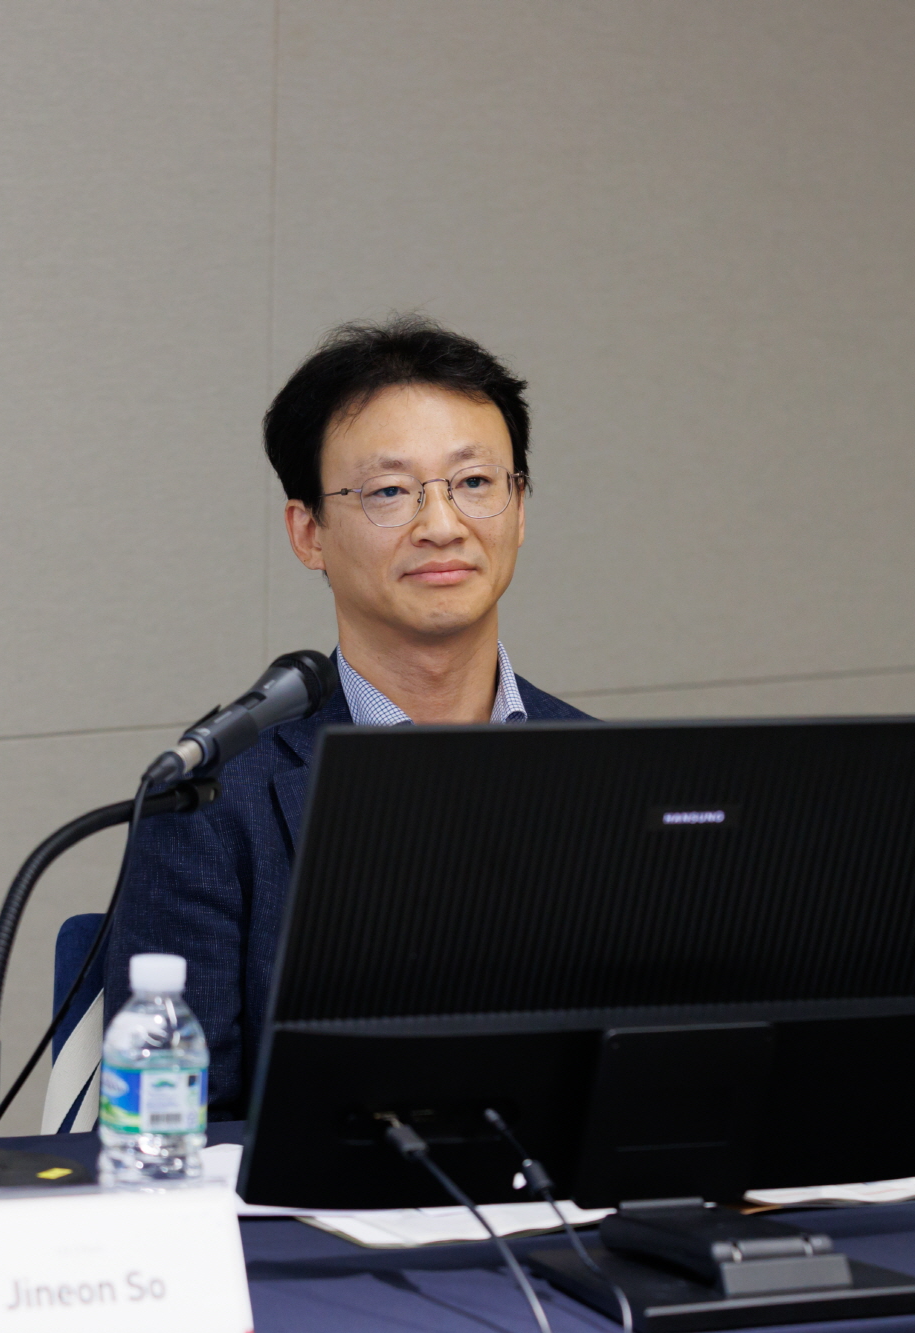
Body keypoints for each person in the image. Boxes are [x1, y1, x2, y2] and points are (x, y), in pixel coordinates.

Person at [104, 316, 593, 1110]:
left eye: (475, 483)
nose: (443, 526)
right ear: (309, 533)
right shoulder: (207, 801)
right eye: (390, 492)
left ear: (520, 506)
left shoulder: (606, 771)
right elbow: (179, 1123)